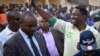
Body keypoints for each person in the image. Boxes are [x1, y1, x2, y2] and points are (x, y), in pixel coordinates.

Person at [31, 0, 99, 56]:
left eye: (75, 15)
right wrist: (35, 6)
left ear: (84, 17)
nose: (72, 17)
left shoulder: (94, 33)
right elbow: (50, 19)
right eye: (71, 14)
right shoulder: (67, 26)